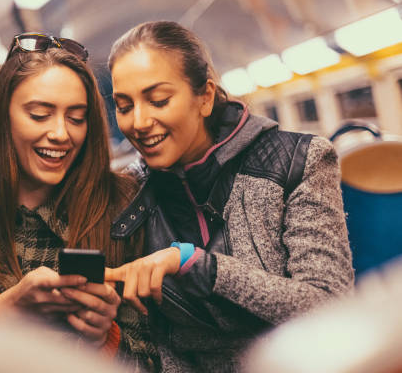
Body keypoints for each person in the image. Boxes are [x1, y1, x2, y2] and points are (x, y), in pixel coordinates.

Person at [104, 21, 354, 372]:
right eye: (124, 106)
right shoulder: (131, 191)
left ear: (205, 97)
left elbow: (330, 307)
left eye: (158, 100)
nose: (139, 122)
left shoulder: (299, 162)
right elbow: (149, 336)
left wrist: (196, 265)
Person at [0, 33, 157, 371]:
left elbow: (150, 362)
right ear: (2, 116)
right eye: (39, 115)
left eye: (77, 118)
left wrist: (103, 341)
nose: (61, 133)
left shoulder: (122, 206)